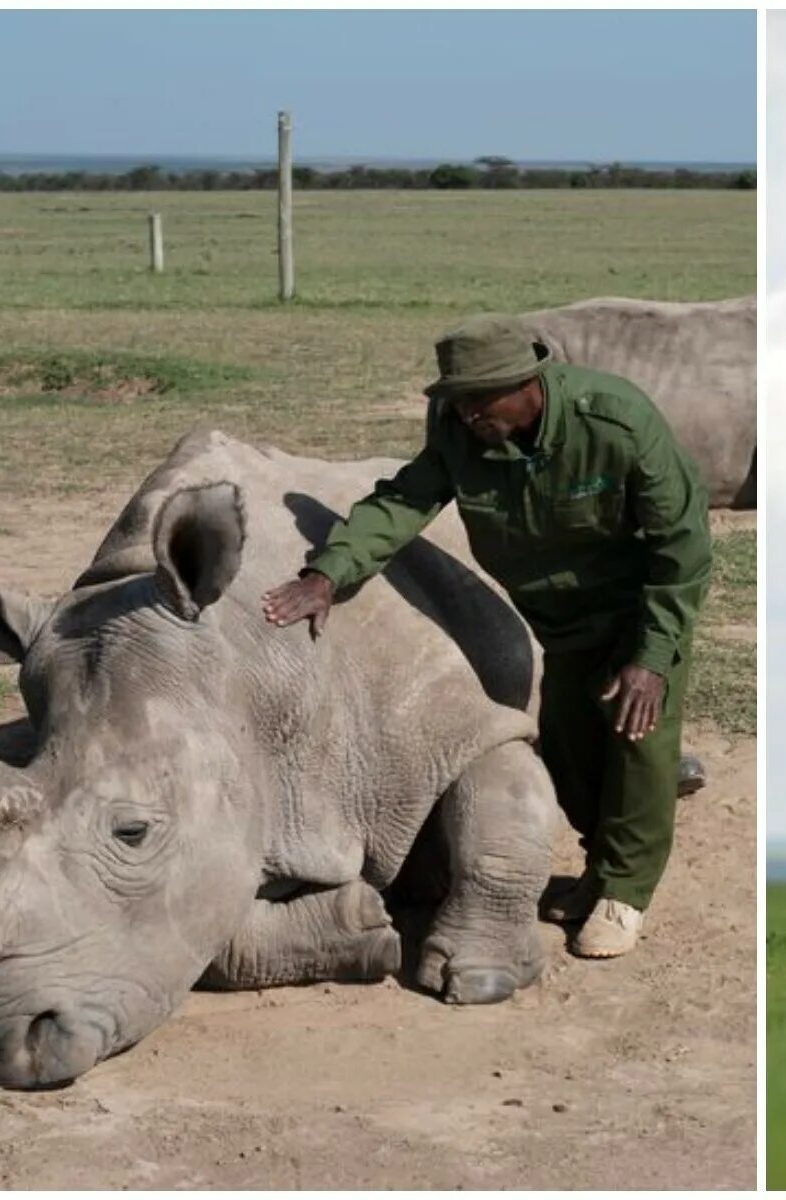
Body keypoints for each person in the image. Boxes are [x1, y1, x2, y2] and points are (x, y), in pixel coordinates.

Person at [262, 314, 712, 960]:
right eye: (458, 401)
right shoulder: (461, 437)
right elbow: (400, 504)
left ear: (526, 383)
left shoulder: (615, 423)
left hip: (640, 609)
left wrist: (654, 654)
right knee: (567, 755)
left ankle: (625, 891)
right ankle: (596, 868)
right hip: (557, 623)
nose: (469, 414)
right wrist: (328, 575)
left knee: (637, 740)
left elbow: (682, 544)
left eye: (479, 399)